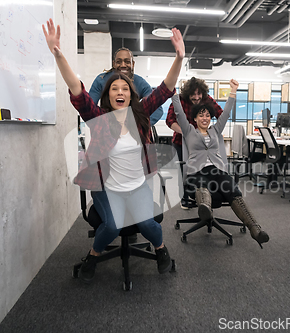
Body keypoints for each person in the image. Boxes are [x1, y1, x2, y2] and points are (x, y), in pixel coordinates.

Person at [42, 19, 185, 282]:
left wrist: (179, 58)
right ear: (108, 96)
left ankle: (161, 249)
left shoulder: (140, 115)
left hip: (137, 186)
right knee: (110, 224)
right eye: (114, 89)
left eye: (125, 89)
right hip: (107, 188)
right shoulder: (98, 119)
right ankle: (93, 256)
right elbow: (78, 91)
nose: (120, 92)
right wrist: (59, 55)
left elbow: (165, 90)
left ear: (131, 95)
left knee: (148, 225)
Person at [171, 79, 270, 249]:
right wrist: (173, 94)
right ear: (194, 118)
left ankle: (255, 228)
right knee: (202, 184)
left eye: (207, 115)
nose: (205, 118)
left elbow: (225, 113)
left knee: (232, 189)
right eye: (201, 115)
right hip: (197, 171)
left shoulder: (216, 130)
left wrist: (233, 91)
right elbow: (179, 113)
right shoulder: (189, 131)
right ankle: (205, 210)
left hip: (216, 170)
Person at [165, 77, 223, 209]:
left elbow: (221, 114)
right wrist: (186, 133)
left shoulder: (207, 100)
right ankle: (184, 198)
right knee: (183, 171)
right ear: (187, 93)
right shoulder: (179, 100)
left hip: (202, 145)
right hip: (180, 141)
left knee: (202, 170)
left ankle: (203, 198)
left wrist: (212, 132)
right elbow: (169, 120)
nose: (196, 97)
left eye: (199, 94)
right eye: (193, 94)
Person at [89, 47, 163, 126]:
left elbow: (158, 109)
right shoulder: (101, 80)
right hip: (107, 130)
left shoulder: (140, 83)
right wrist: (100, 127)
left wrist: (141, 127)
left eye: (127, 61)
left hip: (131, 131)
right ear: (114, 64)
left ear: (133, 64)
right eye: (119, 61)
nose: (123, 65)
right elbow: (89, 107)